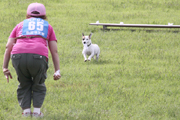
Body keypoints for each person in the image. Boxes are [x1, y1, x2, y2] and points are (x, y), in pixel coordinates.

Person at [2, 2, 61, 117]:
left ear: (28, 14)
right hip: (38, 56)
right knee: (38, 83)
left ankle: (26, 112)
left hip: (18, 55)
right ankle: (37, 113)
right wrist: (57, 70)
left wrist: (5, 67)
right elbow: (54, 51)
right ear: (44, 15)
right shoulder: (48, 26)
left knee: (24, 83)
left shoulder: (20, 25)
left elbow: (8, 46)